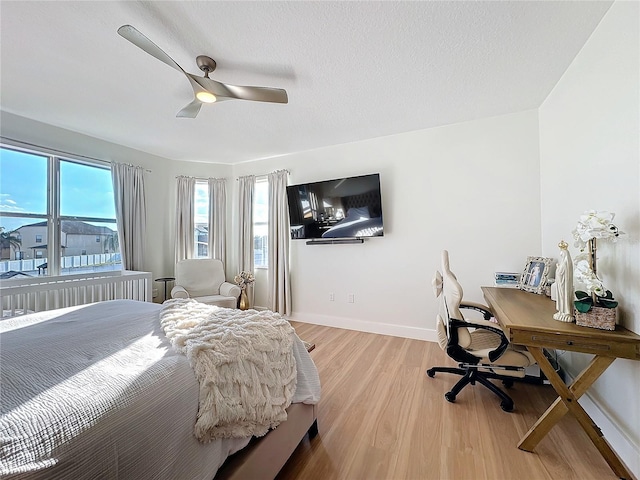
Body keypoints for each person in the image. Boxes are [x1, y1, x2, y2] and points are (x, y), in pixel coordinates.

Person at [554, 240, 574, 322]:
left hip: (564, 284)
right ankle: (561, 311)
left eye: (562, 255)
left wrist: (558, 268)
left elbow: (562, 272)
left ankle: (566, 312)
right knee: (561, 297)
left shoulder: (566, 264)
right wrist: (558, 267)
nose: (561, 257)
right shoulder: (563, 263)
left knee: (564, 297)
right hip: (560, 284)